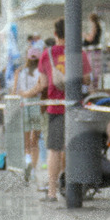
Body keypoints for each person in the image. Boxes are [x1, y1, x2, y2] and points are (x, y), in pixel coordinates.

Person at [34, 18, 92, 202]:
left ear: (55, 33)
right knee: (71, 147)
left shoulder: (47, 54)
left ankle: (52, 191)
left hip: (55, 107)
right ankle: (70, 187)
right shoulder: (80, 53)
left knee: (54, 149)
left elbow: (43, 83)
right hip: (75, 107)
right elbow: (88, 80)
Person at [14, 48, 44, 182]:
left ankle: (27, 160)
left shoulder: (22, 72)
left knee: (26, 140)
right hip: (37, 105)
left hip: (24, 104)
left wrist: (23, 94)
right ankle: (33, 169)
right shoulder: (40, 72)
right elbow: (40, 88)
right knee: (35, 140)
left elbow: (16, 91)